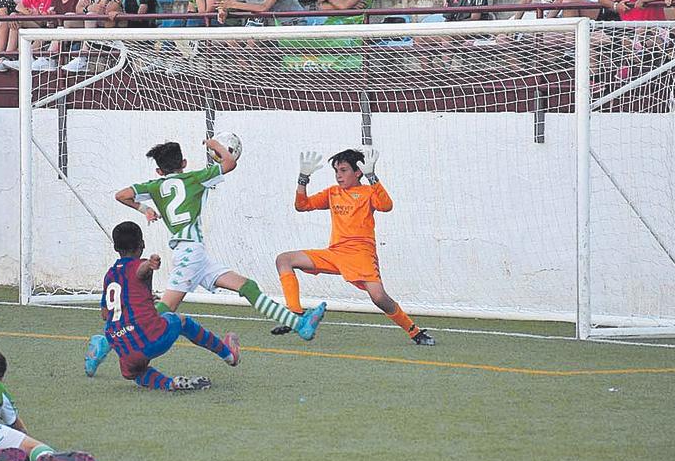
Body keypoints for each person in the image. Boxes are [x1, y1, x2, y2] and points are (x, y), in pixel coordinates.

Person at [112, 140, 327, 341]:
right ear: (184, 163)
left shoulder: (154, 186)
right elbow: (230, 163)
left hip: (194, 255)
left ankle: (300, 325)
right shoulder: (195, 178)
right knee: (165, 308)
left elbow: (121, 195)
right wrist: (214, 144)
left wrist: (145, 209)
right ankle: (113, 340)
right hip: (190, 255)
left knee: (248, 287)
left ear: (159, 171)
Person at [271, 148, 436, 346]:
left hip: (361, 255)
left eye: (343, 170)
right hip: (335, 253)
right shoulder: (332, 193)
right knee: (284, 259)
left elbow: (386, 205)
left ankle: (415, 332)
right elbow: (302, 205)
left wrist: (372, 177)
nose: (339, 176)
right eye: (336, 171)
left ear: (357, 172)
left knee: (379, 298)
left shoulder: (367, 192)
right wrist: (303, 178)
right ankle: (296, 313)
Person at [83, 222, 241, 391]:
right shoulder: (138, 265)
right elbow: (140, 270)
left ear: (115, 247)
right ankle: (229, 354)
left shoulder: (109, 275)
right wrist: (150, 264)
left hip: (123, 348)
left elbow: (105, 314)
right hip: (151, 337)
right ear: (142, 244)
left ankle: (171, 383)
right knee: (179, 321)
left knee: (136, 372)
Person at [216, 0, 304, 26]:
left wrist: (233, 4)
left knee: (252, 43)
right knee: (232, 42)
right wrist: (222, 11)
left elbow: (264, 7)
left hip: (291, 25)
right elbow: (225, 4)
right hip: (266, 27)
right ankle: (245, 66)